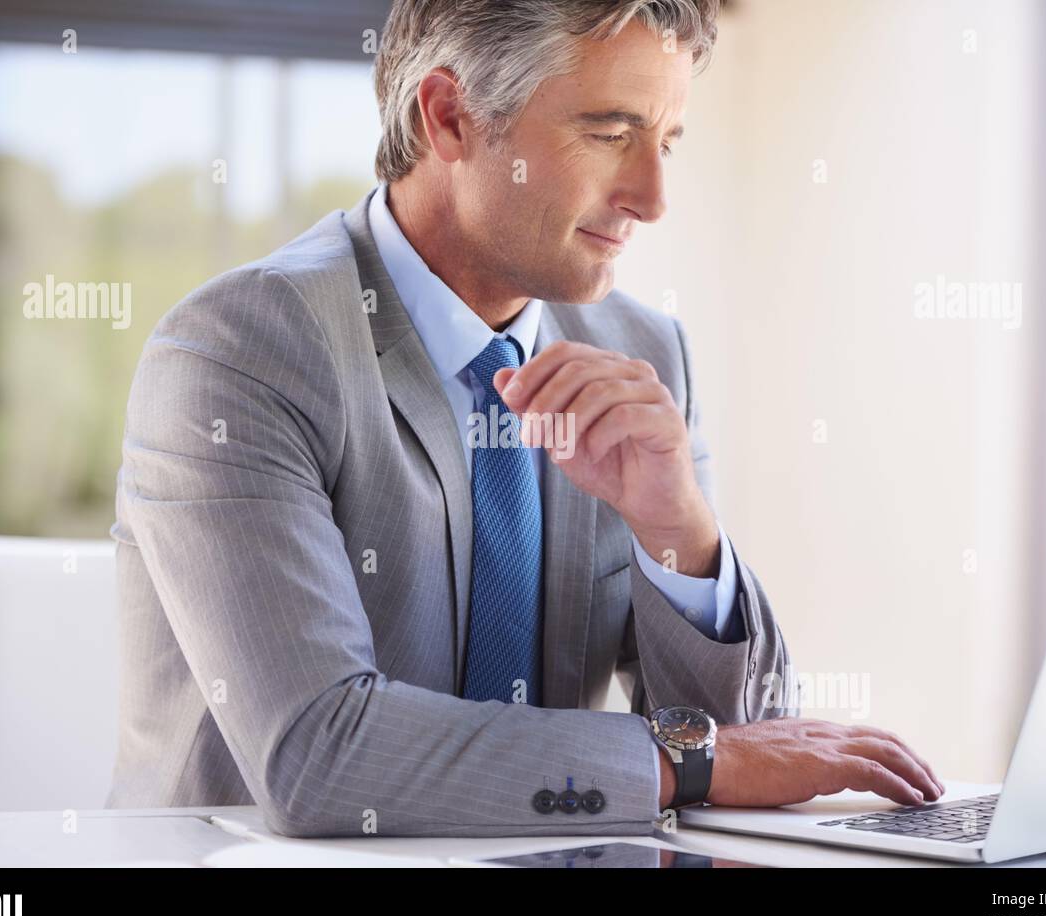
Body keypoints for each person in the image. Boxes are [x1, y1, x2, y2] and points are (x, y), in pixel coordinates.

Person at [107, 0, 943, 837]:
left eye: (668, 142)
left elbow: (755, 748)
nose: (653, 198)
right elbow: (319, 758)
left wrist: (678, 532)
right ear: (451, 116)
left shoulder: (645, 351)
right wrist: (687, 759)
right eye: (611, 133)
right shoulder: (242, 348)